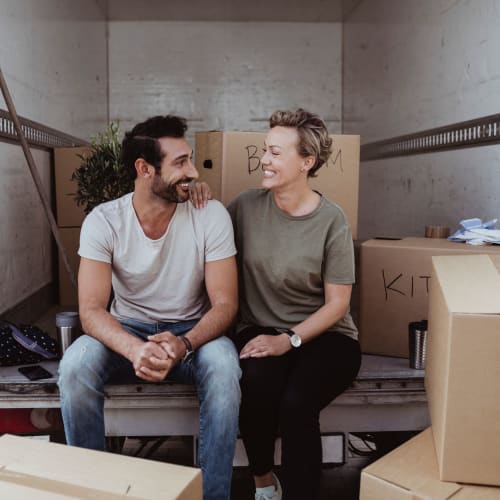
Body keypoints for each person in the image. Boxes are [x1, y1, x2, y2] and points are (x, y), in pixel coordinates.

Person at [57, 115, 241, 500]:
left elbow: (225, 305)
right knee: (74, 368)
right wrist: (134, 349)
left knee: (225, 369)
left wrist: (184, 343)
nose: (192, 171)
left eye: (190, 159)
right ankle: (92, 492)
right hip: (126, 331)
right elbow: (91, 310)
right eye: (180, 162)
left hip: (192, 332)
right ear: (144, 169)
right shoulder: (104, 221)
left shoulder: (211, 215)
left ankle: (213, 495)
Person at [227, 109, 361, 500]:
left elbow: (338, 304)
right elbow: (202, 229)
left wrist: (288, 340)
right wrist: (196, 193)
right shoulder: (245, 207)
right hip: (260, 326)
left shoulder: (332, 220)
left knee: (298, 404)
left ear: (307, 162)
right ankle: (264, 484)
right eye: (264, 150)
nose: (264, 160)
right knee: (256, 386)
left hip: (326, 334)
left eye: (275, 153)